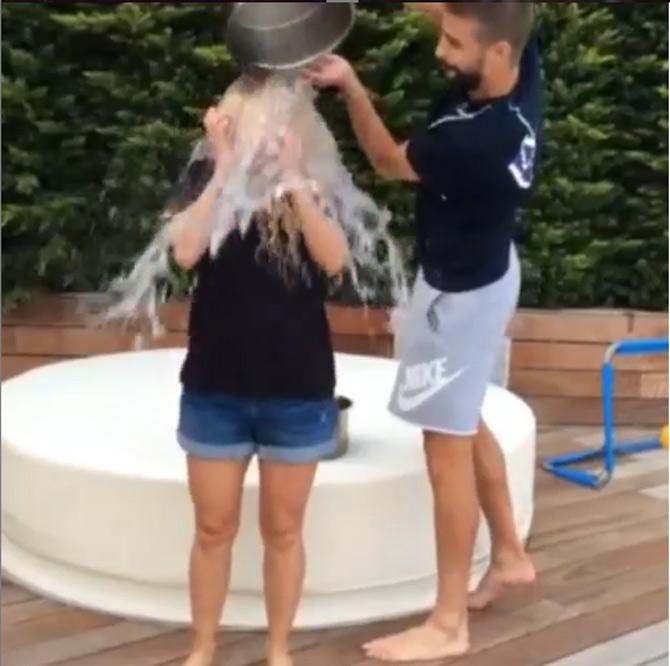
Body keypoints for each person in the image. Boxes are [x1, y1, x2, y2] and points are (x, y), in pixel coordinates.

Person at [305, 2, 542, 661]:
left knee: (446, 447)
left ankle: (447, 623)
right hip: (491, 271)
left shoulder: (474, 142)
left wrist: (351, 85)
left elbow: (384, 160)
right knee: (464, 421)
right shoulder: (523, 68)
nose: (442, 49)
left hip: (460, 298)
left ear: (495, 54)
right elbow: (470, 10)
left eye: (455, 43)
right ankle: (512, 557)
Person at [168, 81, 349, 666]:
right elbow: (186, 252)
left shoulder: (315, 187)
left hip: (297, 392)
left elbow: (335, 260)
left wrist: (294, 180)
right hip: (215, 389)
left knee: (284, 532)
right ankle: (203, 649)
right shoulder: (209, 186)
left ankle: (278, 651)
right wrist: (222, 173)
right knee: (213, 529)